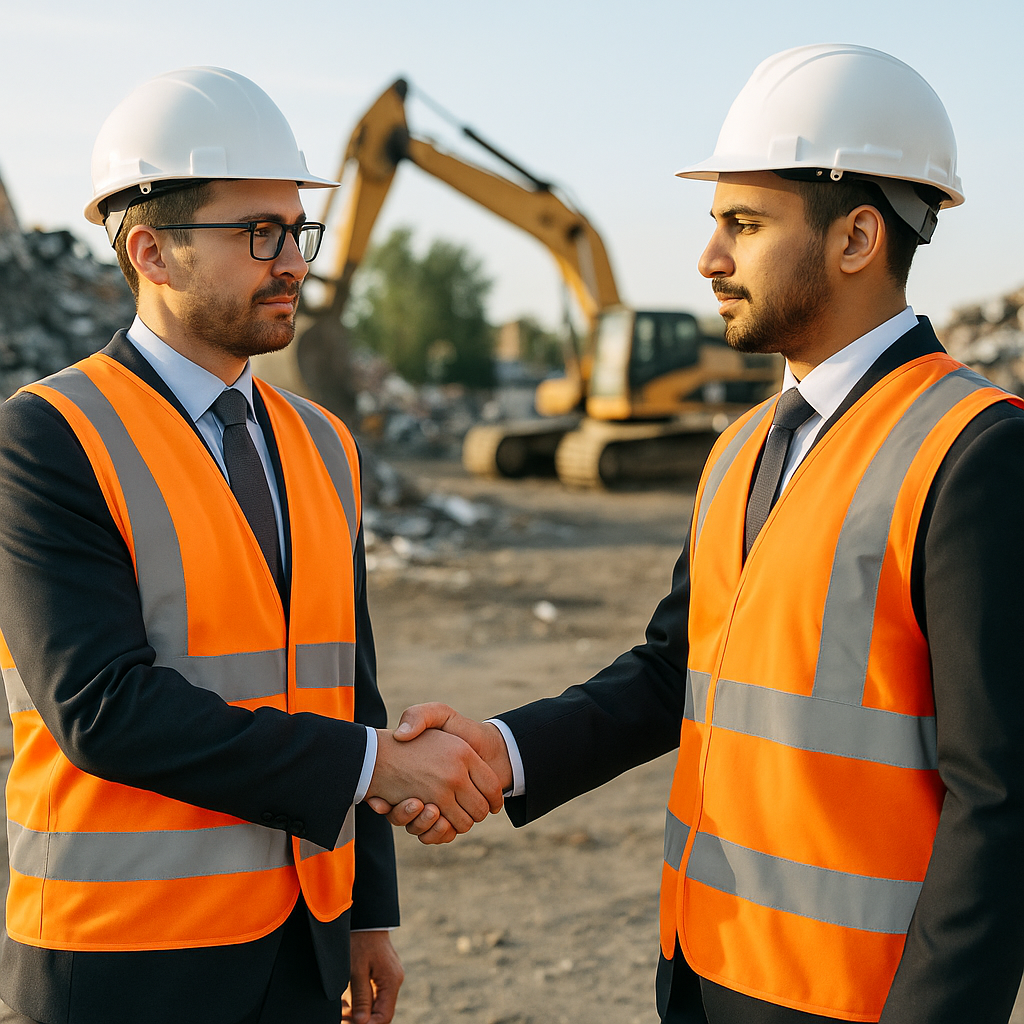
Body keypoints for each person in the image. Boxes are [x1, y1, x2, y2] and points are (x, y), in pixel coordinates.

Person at [372, 44, 1024, 1023]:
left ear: (855, 238)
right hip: (705, 972)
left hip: (851, 998)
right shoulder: (737, 451)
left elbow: (1002, 803)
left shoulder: (974, 452)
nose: (707, 257)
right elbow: (673, 669)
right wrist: (502, 750)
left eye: (742, 224)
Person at [0, 66, 502, 1024]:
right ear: (151, 251)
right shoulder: (46, 436)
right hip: (119, 961)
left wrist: (366, 913)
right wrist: (373, 767)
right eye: (257, 234)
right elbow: (102, 707)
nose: (293, 263)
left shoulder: (322, 442)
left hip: (299, 953)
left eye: (295, 232)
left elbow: (349, 686)